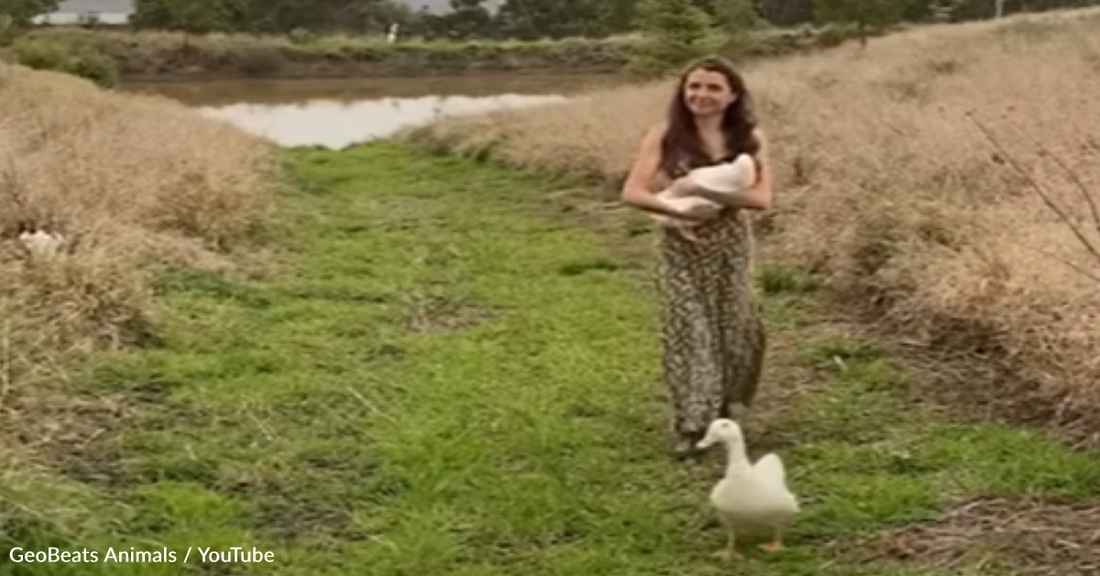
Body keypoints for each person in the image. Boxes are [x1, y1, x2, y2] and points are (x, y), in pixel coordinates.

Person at [620, 56, 773, 459]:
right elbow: (633, 192)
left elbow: (761, 199)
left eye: (712, 88)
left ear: (732, 95)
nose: (701, 95)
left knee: (733, 325)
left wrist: (709, 192)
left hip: (730, 242)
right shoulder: (665, 135)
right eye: (694, 86)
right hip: (679, 242)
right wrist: (675, 213)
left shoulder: (749, 139)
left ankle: (723, 407)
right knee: (689, 330)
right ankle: (690, 423)